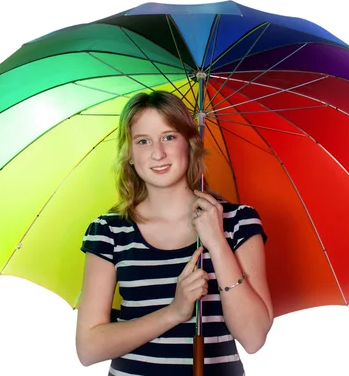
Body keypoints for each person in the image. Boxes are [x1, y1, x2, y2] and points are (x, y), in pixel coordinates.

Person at [76, 91, 273, 376]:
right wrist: (175, 311)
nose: (158, 153)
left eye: (169, 137)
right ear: (129, 155)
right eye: (143, 141)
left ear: (190, 144)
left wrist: (217, 243)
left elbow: (253, 338)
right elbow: (88, 348)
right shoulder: (109, 231)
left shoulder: (237, 222)